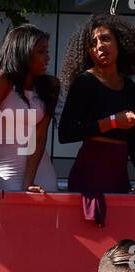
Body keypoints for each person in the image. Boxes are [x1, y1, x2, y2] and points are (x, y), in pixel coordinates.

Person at [59, 15, 135, 226]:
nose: (99, 47)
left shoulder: (129, 88)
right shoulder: (84, 82)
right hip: (89, 178)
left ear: (120, 41)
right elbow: (65, 133)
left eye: (105, 39)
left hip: (119, 177)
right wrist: (112, 122)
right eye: (92, 44)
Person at [0, 26, 58, 196]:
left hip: (42, 176)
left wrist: (28, 181)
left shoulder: (51, 86)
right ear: (23, 52)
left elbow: (40, 137)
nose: (48, 58)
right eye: (41, 51)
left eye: (47, 51)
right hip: (7, 176)